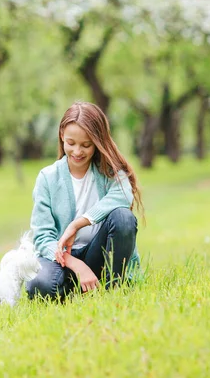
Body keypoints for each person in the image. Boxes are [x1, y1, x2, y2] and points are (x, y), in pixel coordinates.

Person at [26, 101, 144, 301]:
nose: (78, 151)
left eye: (86, 145)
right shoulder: (48, 177)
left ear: (97, 142)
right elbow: (43, 237)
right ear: (62, 134)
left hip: (99, 255)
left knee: (123, 217)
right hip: (62, 259)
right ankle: (77, 287)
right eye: (71, 143)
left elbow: (124, 196)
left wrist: (78, 224)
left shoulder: (109, 171)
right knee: (40, 286)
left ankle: (112, 285)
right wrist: (75, 264)